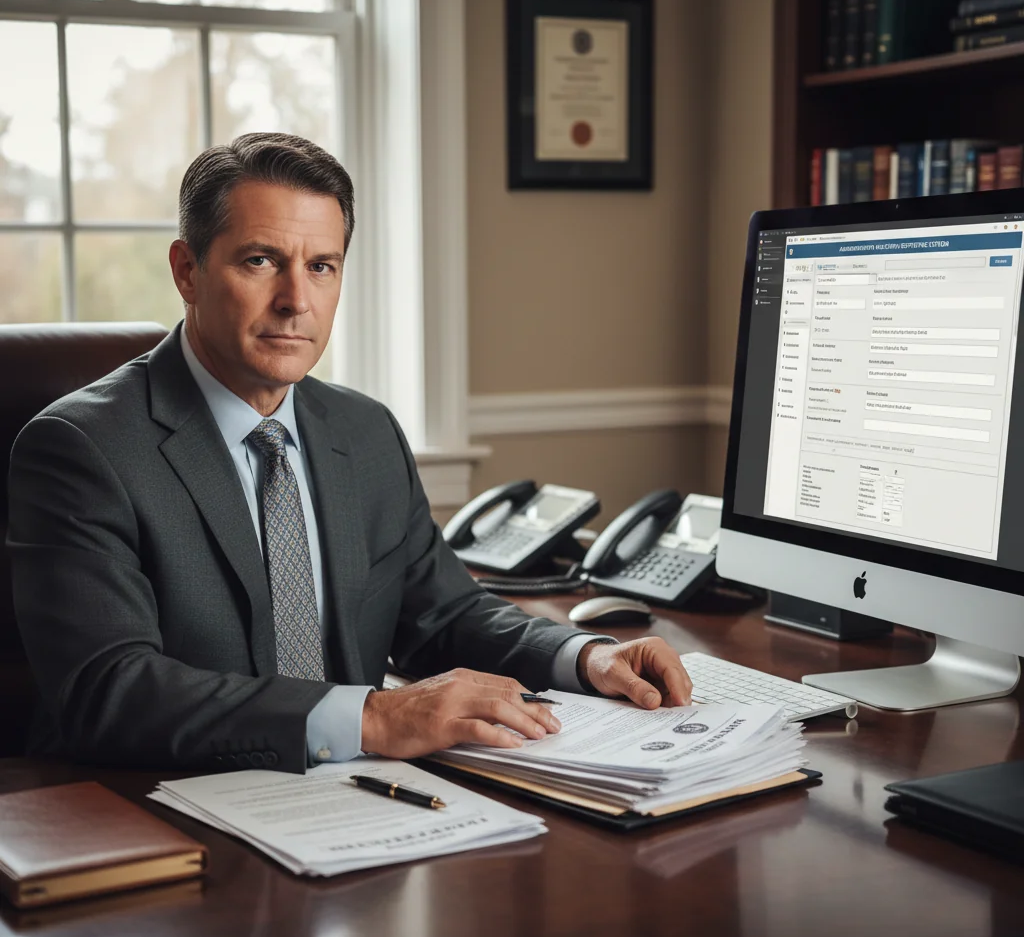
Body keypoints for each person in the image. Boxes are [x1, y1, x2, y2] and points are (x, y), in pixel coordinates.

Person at [7, 132, 692, 775]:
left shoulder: (363, 431)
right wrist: (373, 717)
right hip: (156, 807)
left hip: (358, 802)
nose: (295, 301)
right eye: (260, 260)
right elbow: (110, 689)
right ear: (188, 270)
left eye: (321, 266)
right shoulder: (81, 449)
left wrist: (587, 657)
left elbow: (444, 615)